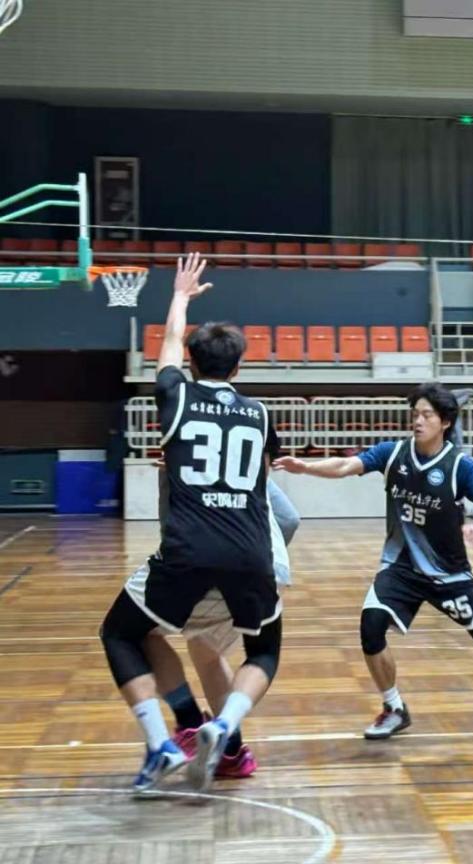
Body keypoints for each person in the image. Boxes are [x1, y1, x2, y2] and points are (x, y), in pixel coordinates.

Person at [99, 253, 285, 793]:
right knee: (264, 650)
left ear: (190, 362)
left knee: (121, 632)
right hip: (250, 551)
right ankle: (224, 729)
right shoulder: (260, 414)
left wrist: (179, 296)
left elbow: (167, 346)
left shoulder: (176, 396)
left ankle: (162, 741)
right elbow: (260, 474)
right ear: (239, 369)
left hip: (188, 549)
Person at [275, 382, 473, 739]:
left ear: (445, 421)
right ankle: (394, 707)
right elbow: (345, 465)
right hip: (400, 568)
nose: (418, 421)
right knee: (370, 627)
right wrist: (306, 467)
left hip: (449, 573)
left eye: (426, 415)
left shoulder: (459, 466)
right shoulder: (393, 453)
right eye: (415, 414)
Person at [143, 477, 298, 780]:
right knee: (219, 651)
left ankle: (190, 722)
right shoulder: (250, 457)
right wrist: (271, 548)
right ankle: (231, 749)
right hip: (264, 565)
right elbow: (290, 519)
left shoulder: (180, 454)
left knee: (135, 632)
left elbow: (170, 519)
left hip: (203, 564)